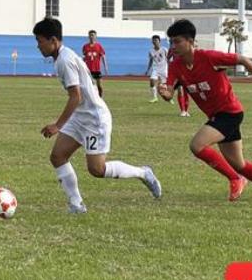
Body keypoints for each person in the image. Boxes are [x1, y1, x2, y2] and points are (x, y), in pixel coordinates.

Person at [33, 17, 162, 214]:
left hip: (94, 119)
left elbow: (75, 96)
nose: (38, 46)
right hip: (80, 117)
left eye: (40, 41)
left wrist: (57, 125)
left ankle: (143, 173)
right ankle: (76, 205)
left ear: (53, 40)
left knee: (97, 170)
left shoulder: (65, 61)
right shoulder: (62, 57)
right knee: (58, 156)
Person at [158, 19, 252, 202]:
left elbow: (242, 60)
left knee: (196, 145)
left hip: (230, 113)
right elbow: (169, 93)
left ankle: (235, 178)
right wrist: (164, 92)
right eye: (171, 42)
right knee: (239, 164)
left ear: (191, 41)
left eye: (177, 41)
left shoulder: (209, 58)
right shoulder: (175, 66)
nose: (173, 46)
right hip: (216, 116)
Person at [82, 30, 108, 97]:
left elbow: (103, 57)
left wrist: (105, 67)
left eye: (93, 35)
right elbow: (84, 57)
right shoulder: (85, 46)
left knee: (99, 86)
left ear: (96, 36)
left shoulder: (99, 46)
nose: (91, 36)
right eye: (90, 35)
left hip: (97, 69)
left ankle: (101, 97)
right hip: (88, 70)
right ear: (88, 36)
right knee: (89, 86)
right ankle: (91, 99)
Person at [145, 35, 168, 103]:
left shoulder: (164, 49)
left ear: (159, 41)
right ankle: (155, 97)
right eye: (153, 40)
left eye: (156, 40)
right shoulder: (151, 51)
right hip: (155, 69)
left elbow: (168, 59)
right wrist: (148, 70)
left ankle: (168, 98)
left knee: (163, 85)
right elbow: (151, 61)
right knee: (152, 81)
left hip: (164, 69)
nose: (155, 42)